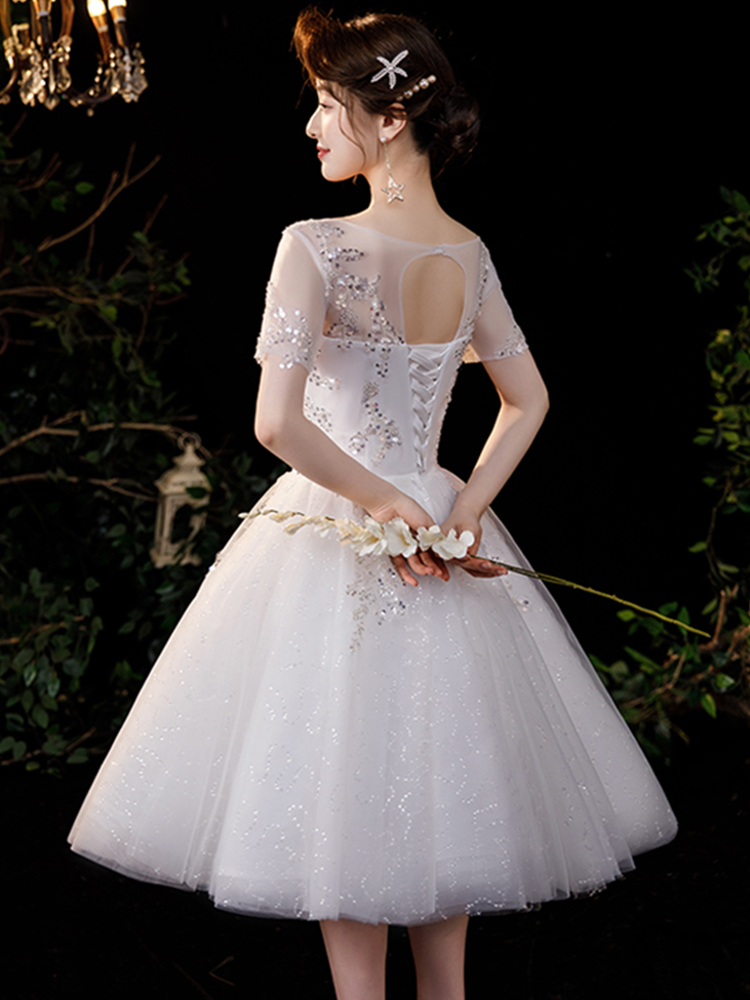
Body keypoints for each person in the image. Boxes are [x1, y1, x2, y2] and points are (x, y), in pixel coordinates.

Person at [69, 9, 677, 1000]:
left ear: (390, 117)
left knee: (340, 790)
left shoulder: (314, 244)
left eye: (325, 104)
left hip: (341, 520)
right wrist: (458, 511)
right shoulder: (469, 254)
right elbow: (528, 401)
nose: (312, 127)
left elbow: (277, 424)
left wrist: (388, 506)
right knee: (448, 787)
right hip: (431, 521)